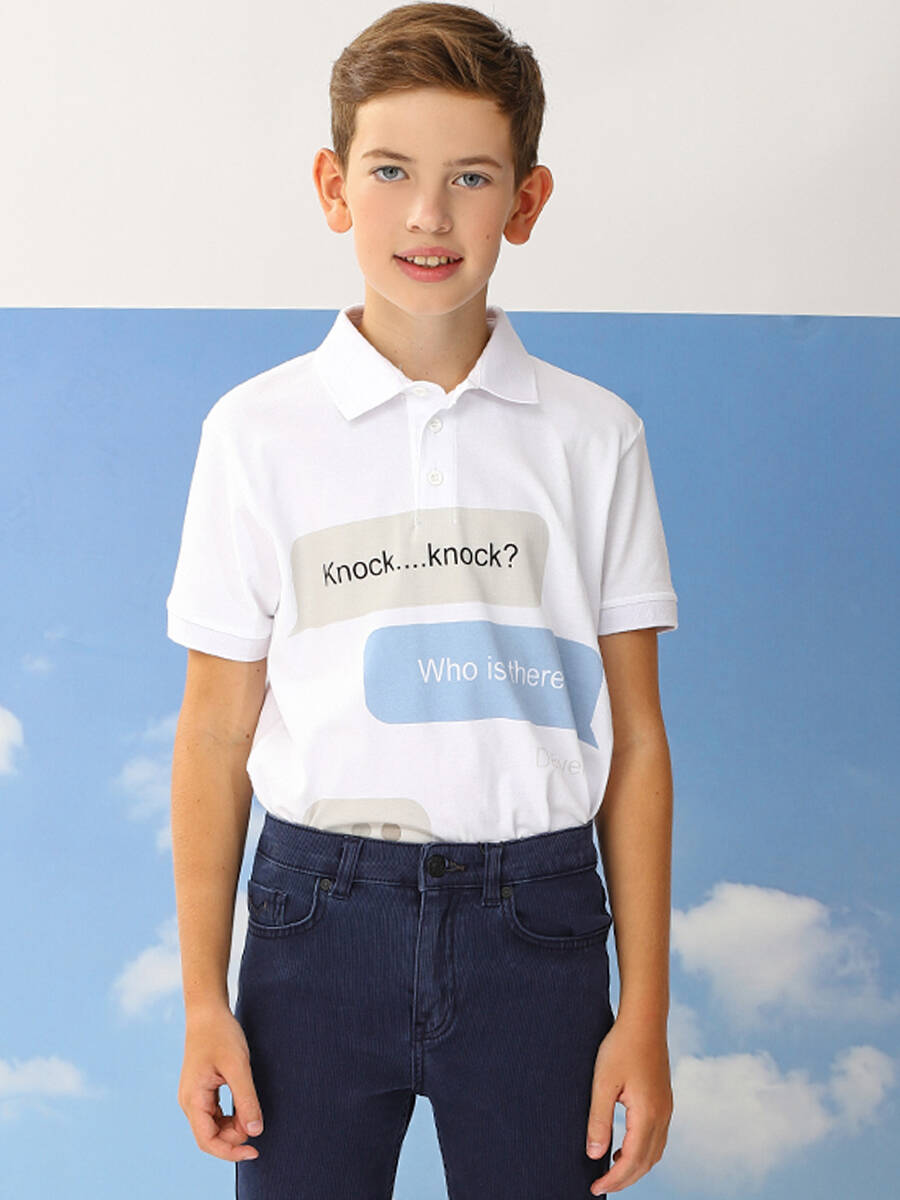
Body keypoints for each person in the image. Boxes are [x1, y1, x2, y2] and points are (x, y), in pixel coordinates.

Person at [167, 4, 678, 1197]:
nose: (429, 216)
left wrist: (644, 1015)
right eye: (392, 171)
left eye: (472, 178)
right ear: (333, 187)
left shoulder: (595, 436)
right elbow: (215, 731)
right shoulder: (255, 432)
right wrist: (202, 998)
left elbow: (638, 738)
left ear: (526, 201)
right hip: (311, 929)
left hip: (540, 930)